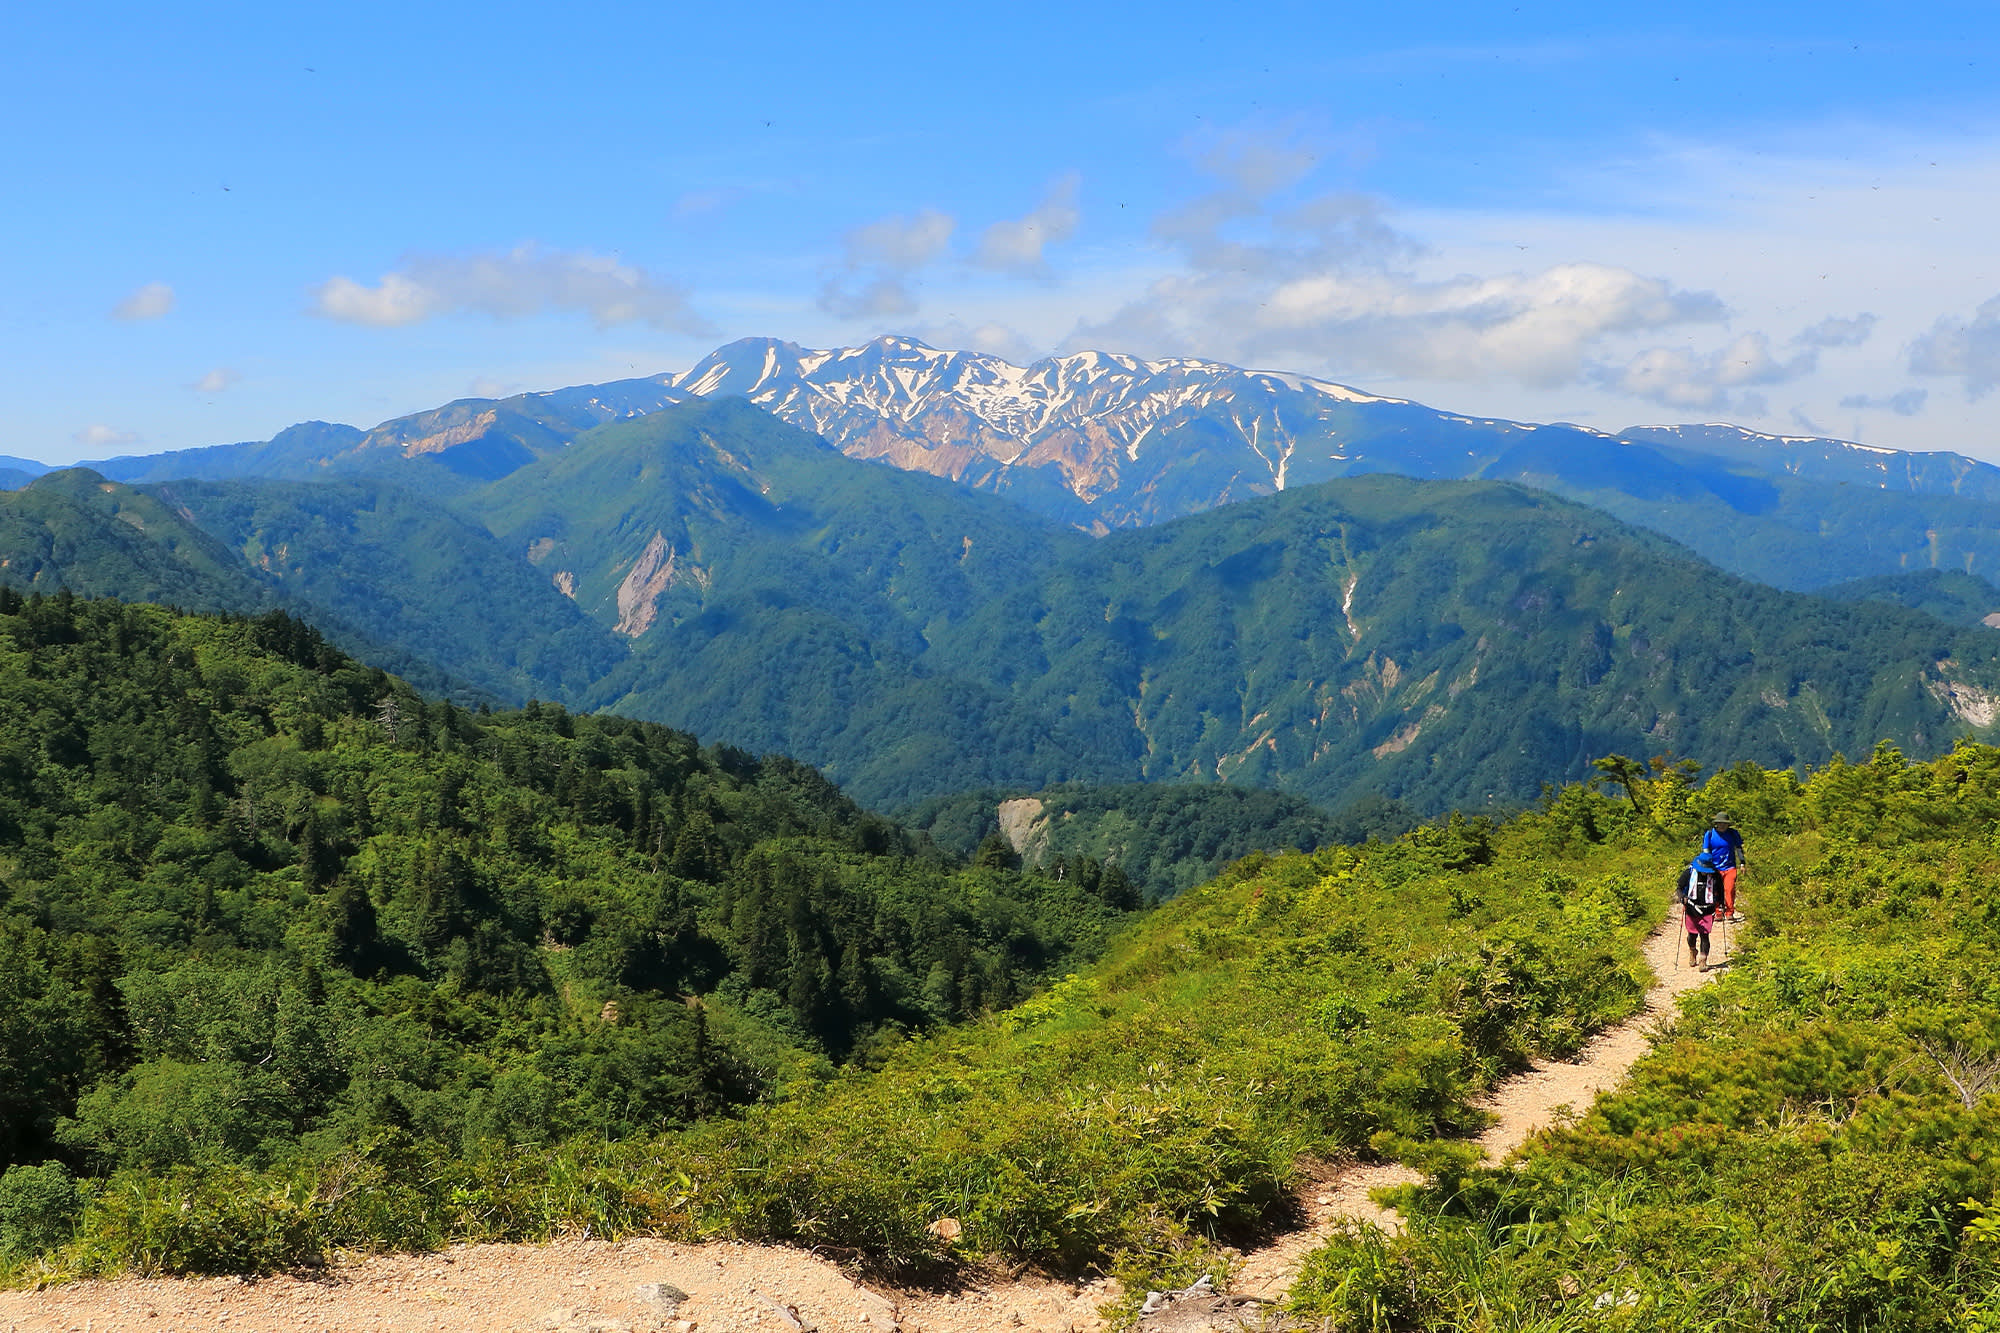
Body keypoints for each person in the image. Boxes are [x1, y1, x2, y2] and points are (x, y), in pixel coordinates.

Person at [1677, 852, 1724, 970]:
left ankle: (1703, 961)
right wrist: (1682, 897)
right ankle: (1693, 951)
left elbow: (1720, 890)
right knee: (1692, 935)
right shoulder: (1689, 873)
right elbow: (1679, 887)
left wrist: (1722, 904)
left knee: (1705, 936)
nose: (1705, 872)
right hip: (1692, 909)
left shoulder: (1715, 875)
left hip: (1708, 909)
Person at [1702, 811, 1746, 923]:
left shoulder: (1733, 834)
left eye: (1724, 823)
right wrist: (1706, 866)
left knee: (1729, 889)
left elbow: (1739, 848)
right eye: (1720, 823)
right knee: (1716, 890)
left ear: (1728, 824)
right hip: (1715, 867)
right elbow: (1706, 851)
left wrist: (1742, 863)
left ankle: (1730, 912)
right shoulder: (1710, 834)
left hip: (1730, 866)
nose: (1722, 825)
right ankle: (1718, 911)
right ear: (1716, 823)